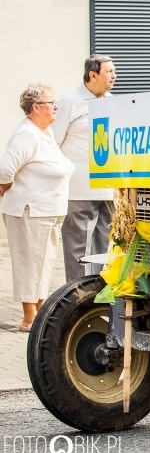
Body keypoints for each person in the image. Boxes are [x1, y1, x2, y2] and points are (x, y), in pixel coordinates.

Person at [0, 84, 74, 330]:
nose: (56, 107)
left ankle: (39, 312)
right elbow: (4, 170)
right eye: (51, 103)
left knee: (43, 263)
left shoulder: (45, 133)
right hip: (30, 211)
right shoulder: (26, 135)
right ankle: (29, 317)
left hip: (49, 210)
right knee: (30, 265)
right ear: (36, 108)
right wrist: (6, 186)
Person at [52, 54, 116, 283]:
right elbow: (53, 142)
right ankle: (76, 294)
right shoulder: (69, 101)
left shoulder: (112, 100)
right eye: (109, 71)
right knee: (77, 250)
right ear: (93, 75)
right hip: (79, 189)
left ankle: (97, 293)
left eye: (114, 71)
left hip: (108, 188)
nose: (114, 76)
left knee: (104, 248)